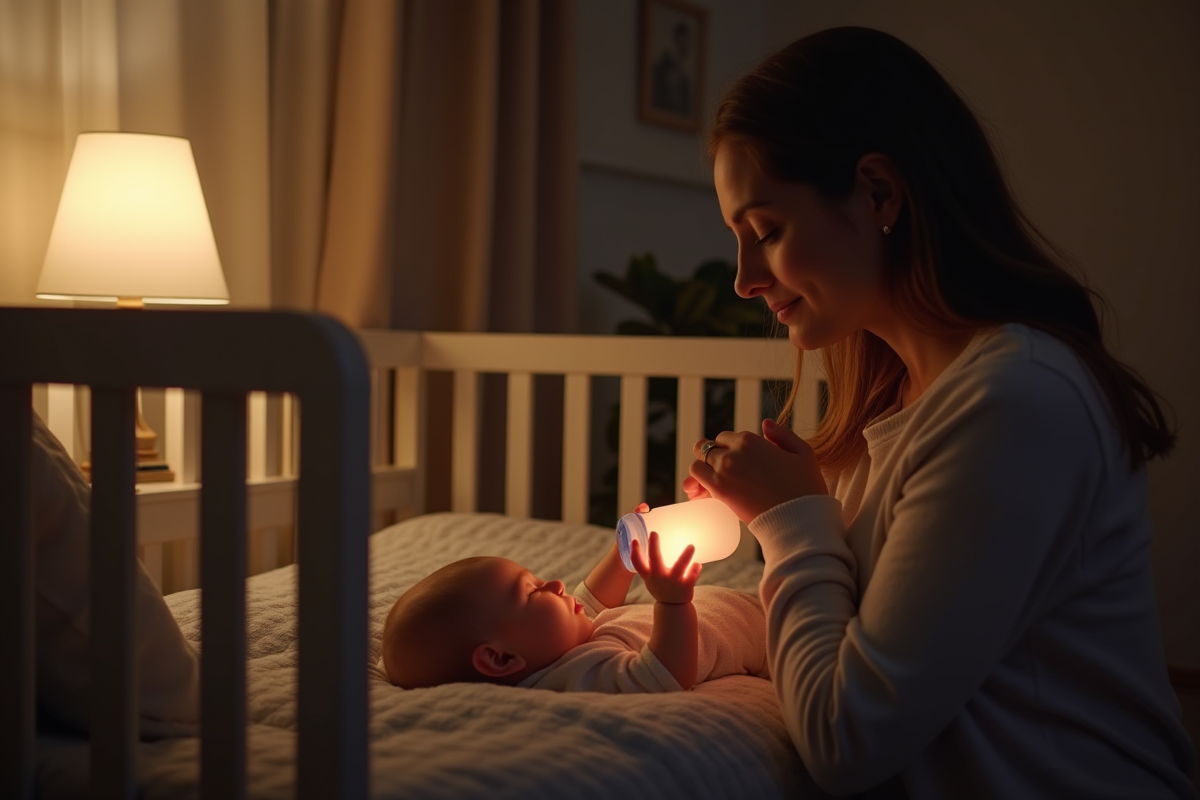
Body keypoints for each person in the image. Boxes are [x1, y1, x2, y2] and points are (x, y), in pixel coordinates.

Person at [683, 25, 1197, 800]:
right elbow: (845, 635)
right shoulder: (895, 404)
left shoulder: (1014, 402)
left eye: (766, 232)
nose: (745, 279)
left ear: (880, 193)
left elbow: (845, 738)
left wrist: (792, 523)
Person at [379, 526, 768, 693]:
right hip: (774, 643)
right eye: (532, 593)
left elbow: (593, 597)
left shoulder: (560, 642)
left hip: (767, 609)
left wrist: (622, 555)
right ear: (500, 658)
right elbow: (664, 675)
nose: (556, 585)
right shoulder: (578, 675)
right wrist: (672, 602)